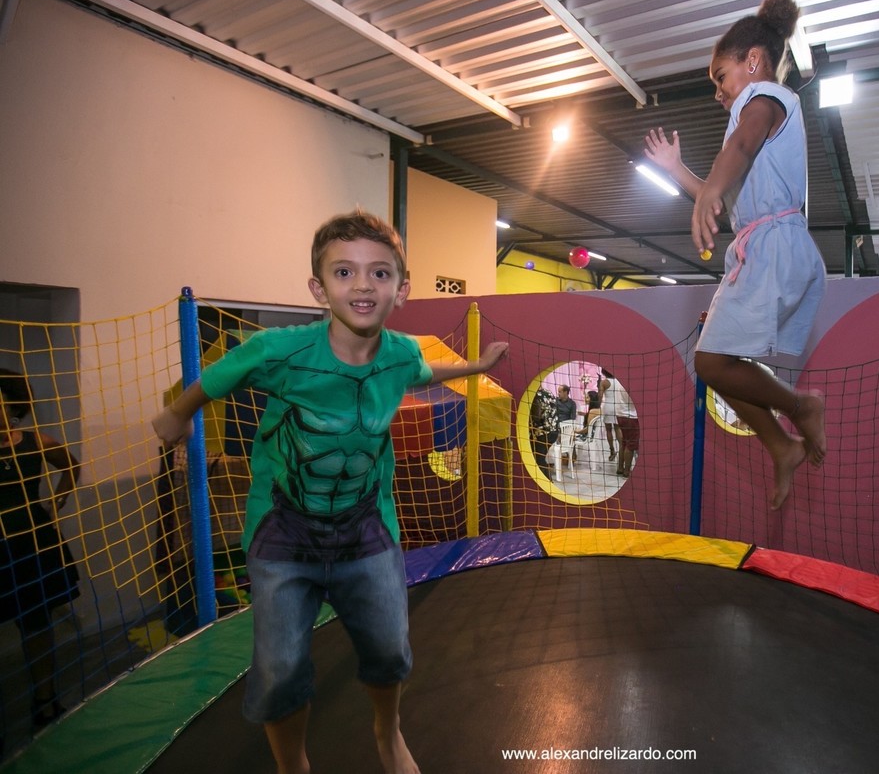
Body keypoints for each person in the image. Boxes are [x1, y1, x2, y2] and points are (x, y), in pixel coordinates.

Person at [152, 211, 507, 774]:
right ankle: (293, 765)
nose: (363, 285)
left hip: (365, 524)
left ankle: (388, 734)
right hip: (285, 526)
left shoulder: (400, 353)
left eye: (379, 274)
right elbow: (216, 378)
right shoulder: (280, 350)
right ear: (318, 288)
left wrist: (473, 368)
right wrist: (177, 414)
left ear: (402, 289)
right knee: (281, 667)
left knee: (390, 649)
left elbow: (420, 373)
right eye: (345, 272)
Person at [643, 0, 825, 509]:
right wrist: (684, 177)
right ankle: (780, 444)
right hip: (763, 245)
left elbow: (738, 150)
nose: (719, 93)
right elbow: (729, 179)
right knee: (716, 363)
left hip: (775, 245)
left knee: (712, 361)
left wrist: (708, 193)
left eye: (721, 77)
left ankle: (802, 408)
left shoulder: (764, 98)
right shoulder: (756, 109)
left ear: (752, 61)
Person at [0, 368, 82, 730]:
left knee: (37, 623)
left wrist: (54, 503)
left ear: (12, 406)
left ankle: (45, 701)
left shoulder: (37, 442)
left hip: (32, 544)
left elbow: (71, 467)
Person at [599, 369, 622, 462]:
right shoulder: (619, 381)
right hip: (618, 406)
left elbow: (600, 396)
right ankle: (622, 448)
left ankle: (612, 450)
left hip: (608, 407)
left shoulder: (604, 382)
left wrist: (598, 405)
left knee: (608, 430)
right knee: (618, 429)